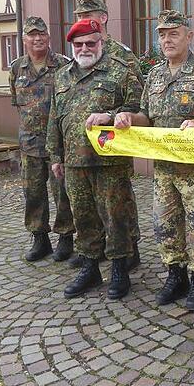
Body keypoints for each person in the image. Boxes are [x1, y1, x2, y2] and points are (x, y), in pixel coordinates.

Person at [113, 10, 194, 312]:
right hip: (163, 168)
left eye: (173, 33)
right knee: (164, 224)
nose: (166, 39)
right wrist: (127, 118)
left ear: (189, 36)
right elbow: (146, 117)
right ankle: (176, 275)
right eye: (162, 34)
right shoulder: (155, 75)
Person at [46, 19, 143, 300]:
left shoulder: (121, 71)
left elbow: (137, 109)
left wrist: (111, 116)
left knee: (116, 217)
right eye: (79, 44)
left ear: (101, 42)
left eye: (91, 43)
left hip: (110, 161)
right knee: (83, 217)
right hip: (74, 162)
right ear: (72, 46)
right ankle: (89, 268)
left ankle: (119, 270)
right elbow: (55, 118)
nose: (85, 48)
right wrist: (56, 156)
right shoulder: (62, 76)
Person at [74, 0, 142, 270]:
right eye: (77, 17)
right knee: (88, 203)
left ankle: (130, 247)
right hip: (82, 148)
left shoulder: (122, 56)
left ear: (102, 18)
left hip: (113, 145)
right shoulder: (81, 50)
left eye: (86, 16)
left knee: (120, 201)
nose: (80, 21)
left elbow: (137, 101)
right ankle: (95, 249)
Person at [9, 16, 75, 263]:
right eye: (32, 35)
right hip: (29, 144)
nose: (37, 38)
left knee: (62, 193)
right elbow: (17, 103)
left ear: (49, 37)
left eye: (42, 34)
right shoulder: (16, 68)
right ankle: (40, 238)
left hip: (58, 144)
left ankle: (66, 237)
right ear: (24, 39)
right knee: (33, 193)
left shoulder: (64, 65)